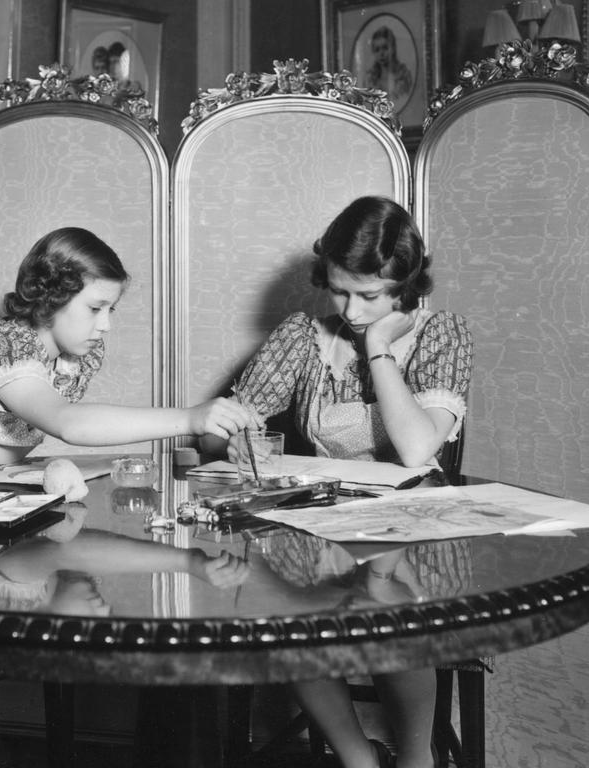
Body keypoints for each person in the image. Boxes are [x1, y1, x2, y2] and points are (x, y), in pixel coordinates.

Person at [202, 196, 473, 768]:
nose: (350, 309)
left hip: (414, 530)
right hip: (321, 522)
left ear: (406, 283)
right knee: (286, 614)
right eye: (339, 289)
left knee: (386, 592)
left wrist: (378, 350)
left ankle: (417, 755)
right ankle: (357, 757)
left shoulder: (441, 334)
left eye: (369, 295)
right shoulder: (304, 336)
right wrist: (235, 436)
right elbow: (218, 430)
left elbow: (419, 447)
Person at [0, 227, 255, 476]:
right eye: (95, 308)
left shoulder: (77, 357)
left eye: (112, 309)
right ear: (50, 298)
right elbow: (67, 424)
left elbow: (27, 439)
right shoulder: (6, 346)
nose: (106, 324)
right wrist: (189, 418)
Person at [364, 26, 413, 111]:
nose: (381, 53)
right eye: (377, 50)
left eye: (385, 48)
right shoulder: (370, 78)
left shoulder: (404, 75)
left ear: (393, 48)